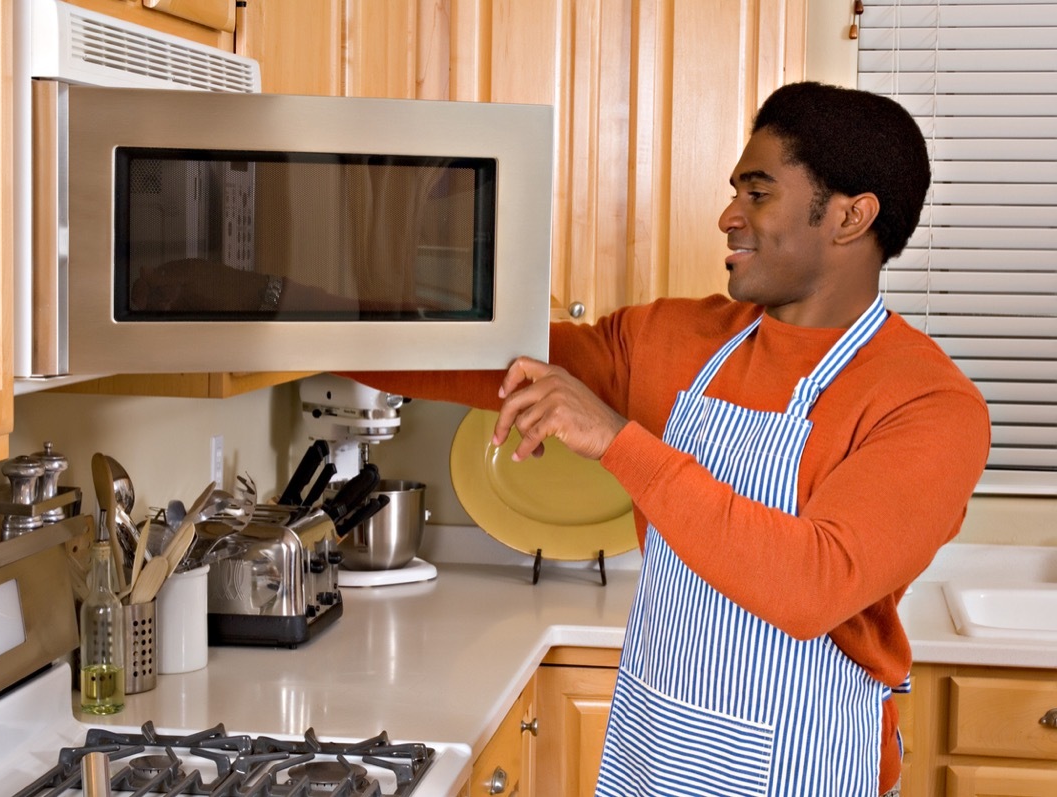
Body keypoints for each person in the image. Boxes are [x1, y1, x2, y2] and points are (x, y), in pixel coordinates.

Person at [345, 81, 990, 796]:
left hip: (805, 765)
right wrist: (288, 318)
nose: (728, 216)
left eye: (757, 193)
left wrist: (618, 441)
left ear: (849, 217)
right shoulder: (676, 338)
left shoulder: (929, 405)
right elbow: (482, 359)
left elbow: (811, 584)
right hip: (655, 752)